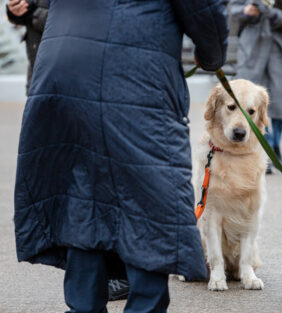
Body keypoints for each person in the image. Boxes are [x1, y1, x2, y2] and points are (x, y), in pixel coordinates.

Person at [13, 1, 229, 312]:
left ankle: (83, 306)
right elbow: (204, 9)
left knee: (82, 192)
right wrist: (211, 54)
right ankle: (144, 306)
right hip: (133, 73)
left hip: (62, 69)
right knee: (150, 195)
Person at [7, 0, 131, 301]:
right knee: (68, 184)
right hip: (49, 79)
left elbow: (82, 17)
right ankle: (91, 277)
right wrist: (16, 11)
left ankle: (119, 273)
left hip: (85, 84)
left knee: (98, 181)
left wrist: (34, 14)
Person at [230, 0, 282, 173]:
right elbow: (234, 9)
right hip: (251, 50)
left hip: (277, 52)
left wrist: (272, 13)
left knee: (277, 103)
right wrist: (247, 11)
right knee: (247, 101)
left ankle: (272, 147)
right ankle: (254, 150)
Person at [6, 0, 48, 92]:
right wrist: (15, 11)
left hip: (63, 74)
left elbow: (69, 21)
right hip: (36, 75)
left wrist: (33, 13)